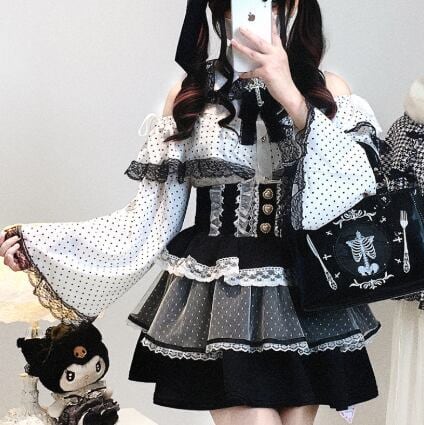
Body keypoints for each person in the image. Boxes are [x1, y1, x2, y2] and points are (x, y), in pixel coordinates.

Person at [0, 1, 384, 424]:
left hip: (302, 295)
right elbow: (151, 216)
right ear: (219, 11)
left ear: (289, 6)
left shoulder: (327, 90)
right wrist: (41, 244)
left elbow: (355, 186)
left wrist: (290, 95)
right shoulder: (193, 96)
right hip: (222, 291)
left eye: (268, 3)